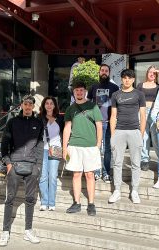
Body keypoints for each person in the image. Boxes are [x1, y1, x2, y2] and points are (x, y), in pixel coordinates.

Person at [0, 95, 44, 246]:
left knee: (30, 200)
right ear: (21, 105)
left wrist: (38, 166)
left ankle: (28, 231)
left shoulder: (38, 123)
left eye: (30, 104)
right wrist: (8, 163)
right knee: (9, 199)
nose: (27, 107)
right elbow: (4, 143)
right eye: (25, 104)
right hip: (15, 165)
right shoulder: (12, 122)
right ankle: (5, 232)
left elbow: (39, 145)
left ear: (33, 107)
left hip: (31, 167)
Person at [63, 80, 103, 216]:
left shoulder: (93, 106)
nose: (79, 93)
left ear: (85, 92)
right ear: (73, 92)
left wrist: (98, 144)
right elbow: (67, 129)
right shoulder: (70, 109)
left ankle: (91, 203)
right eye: (76, 90)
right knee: (76, 174)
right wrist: (64, 148)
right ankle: (77, 203)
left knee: (90, 175)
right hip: (74, 145)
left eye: (81, 90)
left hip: (90, 146)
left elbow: (99, 126)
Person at [108, 69, 146, 204]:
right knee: (117, 163)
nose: (127, 80)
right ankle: (117, 190)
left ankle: (134, 191)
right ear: (121, 79)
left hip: (135, 131)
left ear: (133, 79)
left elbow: (143, 116)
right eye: (124, 78)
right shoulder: (115, 95)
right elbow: (113, 116)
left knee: (136, 163)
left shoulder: (139, 94)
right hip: (119, 131)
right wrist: (113, 135)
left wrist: (140, 134)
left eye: (129, 78)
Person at [87, 64, 119, 182]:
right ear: (99, 72)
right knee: (96, 148)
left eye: (106, 71)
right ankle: (96, 172)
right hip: (96, 123)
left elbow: (118, 105)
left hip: (109, 122)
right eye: (102, 70)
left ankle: (106, 173)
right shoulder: (93, 87)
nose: (104, 72)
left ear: (109, 73)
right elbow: (88, 103)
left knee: (107, 149)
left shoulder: (115, 88)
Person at [38, 97, 64, 211]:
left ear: (54, 106)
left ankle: (52, 203)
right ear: (44, 105)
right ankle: (44, 202)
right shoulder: (39, 118)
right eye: (47, 103)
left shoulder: (60, 118)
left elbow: (64, 133)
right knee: (43, 176)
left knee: (53, 176)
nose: (49, 105)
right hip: (42, 149)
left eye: (51, 103)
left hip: (56, 149)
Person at [136, 65, 159, 171]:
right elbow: (135, 98)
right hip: (142, 112)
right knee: (144, 137)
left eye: (154, 73)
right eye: (150, 72)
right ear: (147, 73)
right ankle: (145, 160)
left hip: (155, 113)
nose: (152, 74)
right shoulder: (140, 85)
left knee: (156, 138)